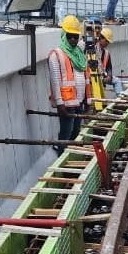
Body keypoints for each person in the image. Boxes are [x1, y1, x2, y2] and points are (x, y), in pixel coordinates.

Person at [48, 15, 91, 154]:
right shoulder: (57, 55)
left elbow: (85, 78)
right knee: (66, 132)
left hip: (79, 100)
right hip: (66, 103)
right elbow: (55, 82)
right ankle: (61, 155)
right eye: (70, 36)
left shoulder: (79, 54)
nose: (73, 40)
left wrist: (87, 100)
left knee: (76, 131)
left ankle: (70, 154)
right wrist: (60, 104)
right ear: (64, 35)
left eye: (75, 37)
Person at [98, 27, 123, 95]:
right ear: (101, 38)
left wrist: (109, 75)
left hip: (103, 77)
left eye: (108, 42)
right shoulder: (94, 50)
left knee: (117, 81)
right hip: (95, 77)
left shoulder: (106, 53)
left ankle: (120, 99)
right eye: (106, 41)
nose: (107, 43)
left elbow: (109, 67)